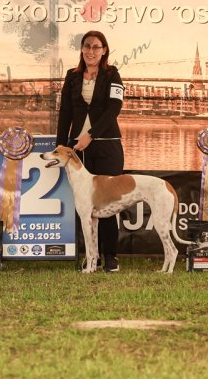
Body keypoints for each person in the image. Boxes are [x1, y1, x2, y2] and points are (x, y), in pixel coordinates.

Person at [56, 30, 126, 273]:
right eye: (87, 46)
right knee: (86, 208)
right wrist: (61, 147)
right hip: (78, 150)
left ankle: (111, 257)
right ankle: (91, 257)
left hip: (106, 146)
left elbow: (114, 109)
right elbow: (65, 113)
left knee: (107, 204)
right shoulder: (72, 76)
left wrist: (91, 134)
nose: (91, 51)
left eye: (96, 46)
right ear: (82, 49)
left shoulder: (112, 74)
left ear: (104, 50)